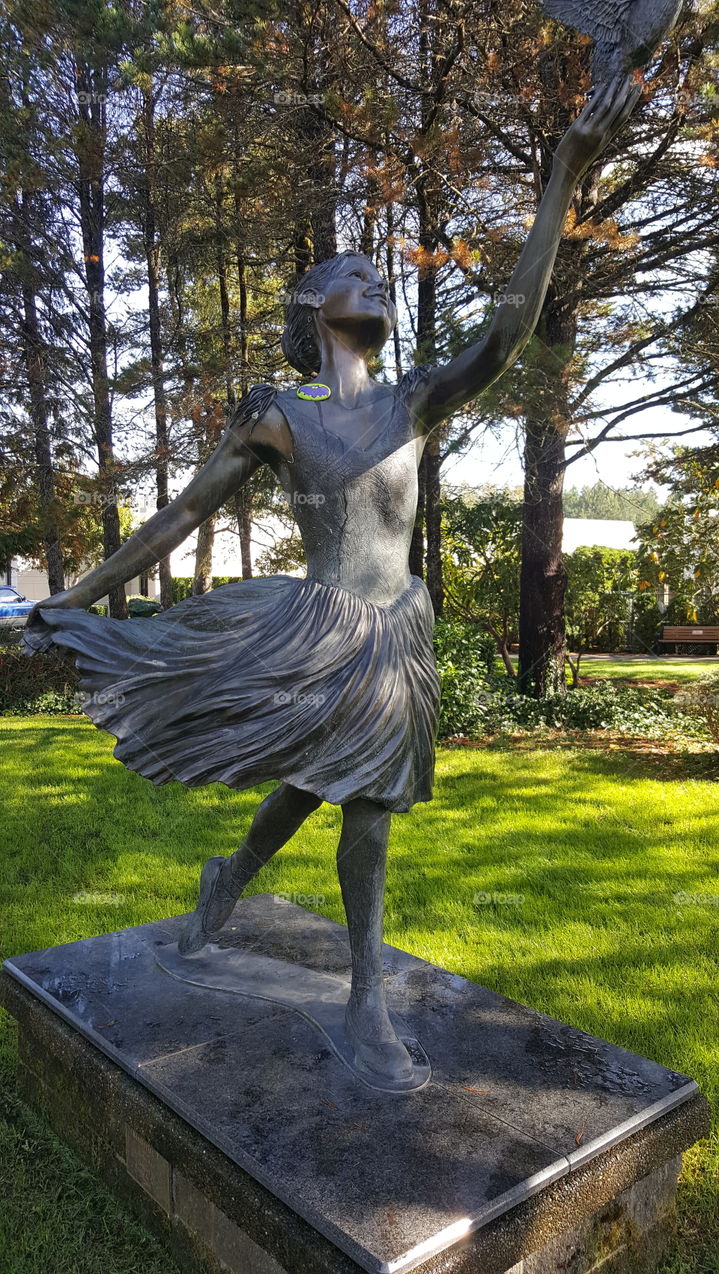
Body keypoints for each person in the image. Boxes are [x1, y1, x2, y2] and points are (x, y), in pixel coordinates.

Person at [25, 76, 640, 1089]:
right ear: (314, 306)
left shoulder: (412, 398)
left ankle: (265, 911)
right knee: (331, 787)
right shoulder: (277, 410)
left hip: (396, 628)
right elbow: (180, 514)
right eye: (359, 273)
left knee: (348, 793)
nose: (381, 281)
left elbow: (507, 328)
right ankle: (358, 990)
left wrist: (564, 169)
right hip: (315, 625)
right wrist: (80, 594)